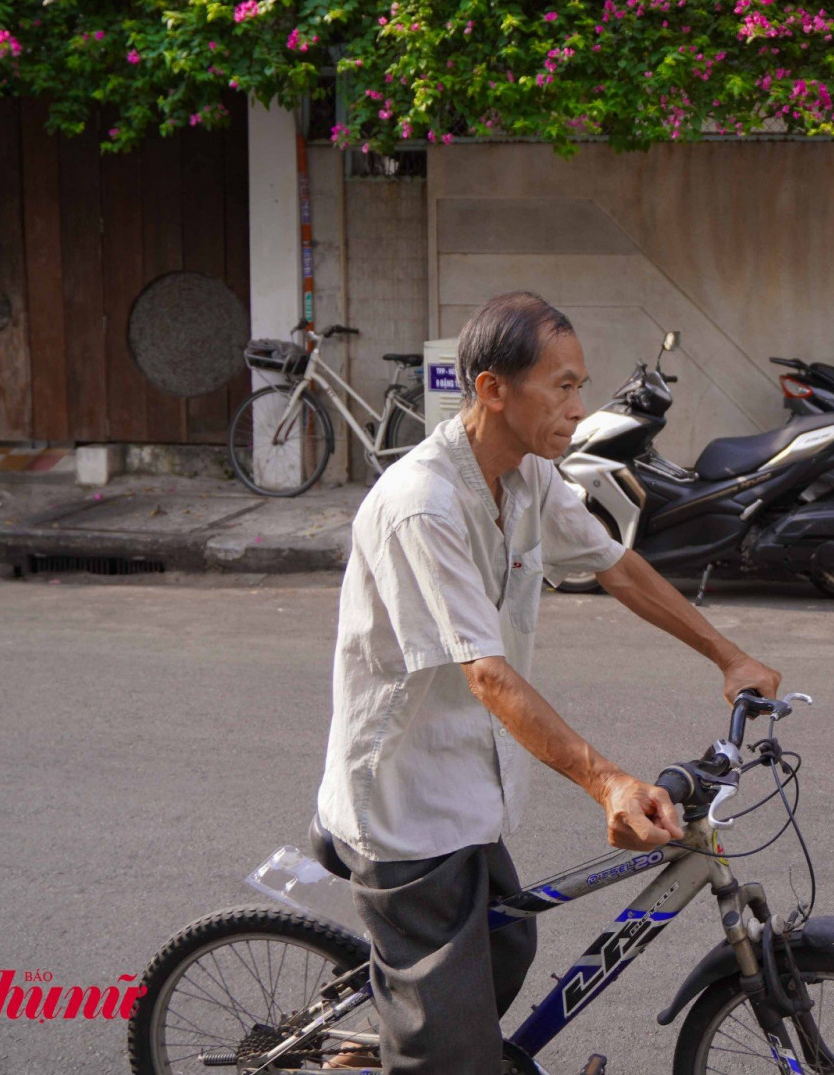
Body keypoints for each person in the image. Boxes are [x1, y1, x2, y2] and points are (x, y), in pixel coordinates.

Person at [314, 291, 781, 1073]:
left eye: (579, 385)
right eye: (562, 386)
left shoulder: (528, 476)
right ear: (493, 389)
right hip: (402, 805)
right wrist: (607, 785)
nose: (579, 406)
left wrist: (728, 656)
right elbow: (488, 675)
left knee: (507, 947)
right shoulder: (422, 507)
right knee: (453, 1053)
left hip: (472, 787)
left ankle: (404, 1044)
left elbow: (615, 566)